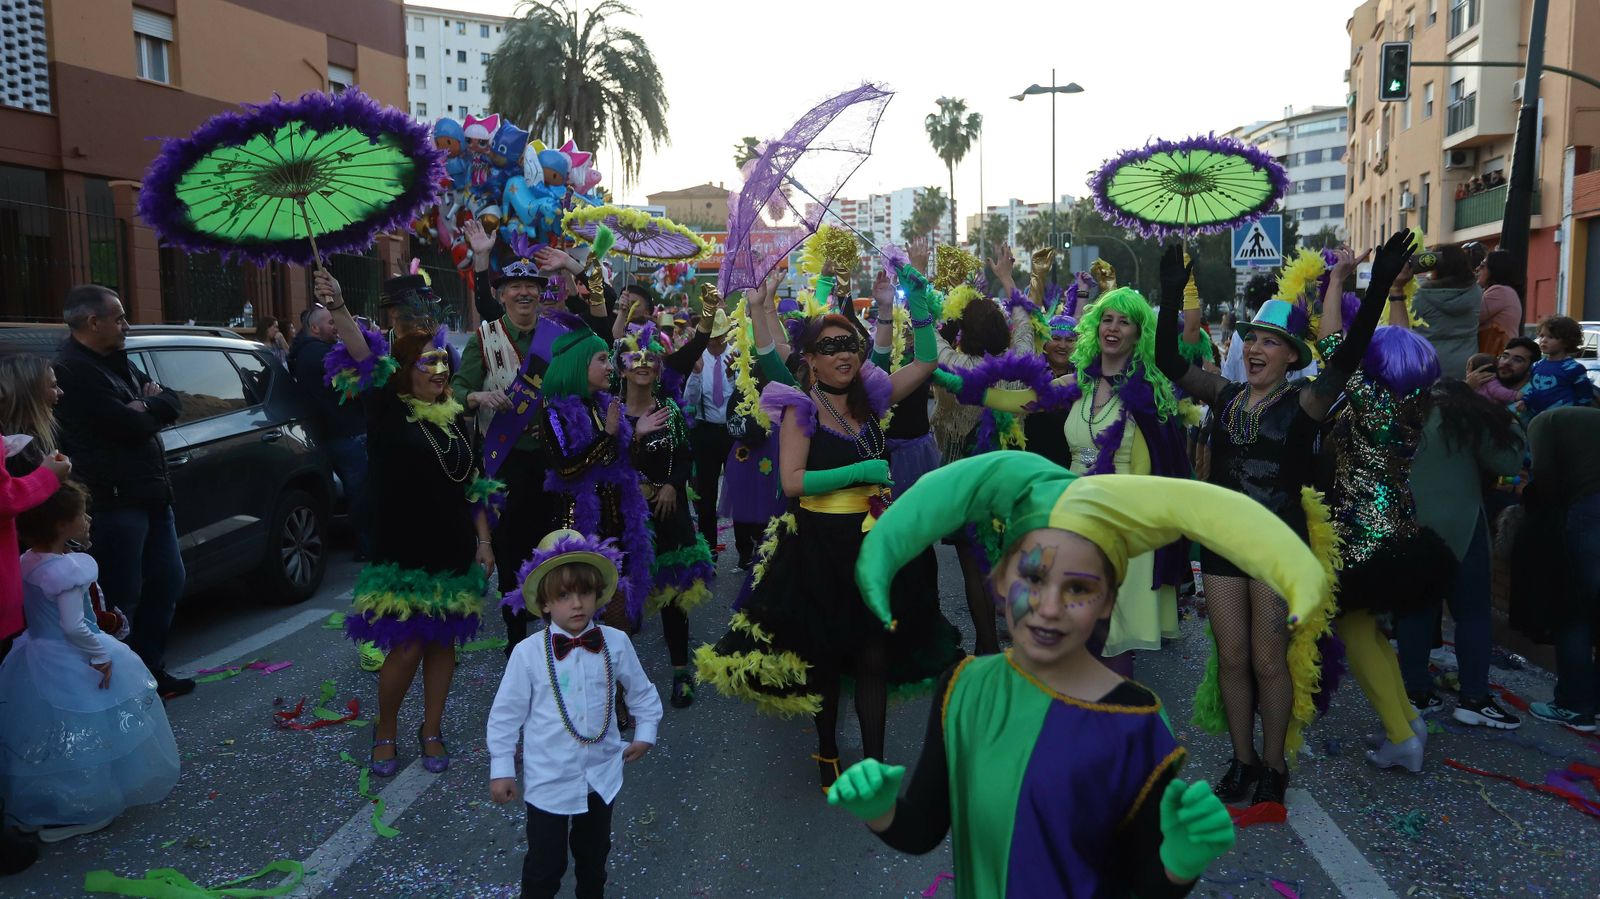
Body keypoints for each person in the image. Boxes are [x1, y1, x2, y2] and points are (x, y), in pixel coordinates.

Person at [837, 454, 1335, 898]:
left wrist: (1180, 863)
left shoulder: (1133, 727)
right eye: (1032, 578)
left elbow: (1143, 884)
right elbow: (923, 829)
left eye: (1078, 588)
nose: (1049, 608)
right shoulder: (963, 689)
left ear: (1107, 604)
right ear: (1000, 580)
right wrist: (882, 810)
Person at [1154, 236, 1415, 803]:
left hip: (1277, 545)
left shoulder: (1306, 402)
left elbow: (1347, 356)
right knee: (1232, 656)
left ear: (1291, 355)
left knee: (1270, 660)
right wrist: (1171, 297)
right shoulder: (1222, 397)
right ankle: (1242, 760)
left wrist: (1373, 289)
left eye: (1270, 343)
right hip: (1224, 544)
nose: (1255, 349)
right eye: (1251, 339)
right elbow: (1170, 362)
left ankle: (1273, 767)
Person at [694, 262, 964, 792]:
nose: (844, 353)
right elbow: (793, 482)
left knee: (872, 655)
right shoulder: (800, 408)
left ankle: (875, 760)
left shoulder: (876, 396)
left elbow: (928, 361)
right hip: (821, 547)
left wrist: (922, 308)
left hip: (874, 545)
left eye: (852, 345)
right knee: (825, 656)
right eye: (831, 346)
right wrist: (860, 471)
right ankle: (825, 749)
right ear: (811, 361)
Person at [942, 279, 1193, 670]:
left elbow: (1149, 475)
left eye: (1124, 322)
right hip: (1073, 516)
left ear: (1138, 333)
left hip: (1119, 522)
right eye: (1106, 319)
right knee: (1073, 637)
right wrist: (964, 385)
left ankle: (1111, 721)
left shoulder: (1146, 394)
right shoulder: (1080, 382)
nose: (1112, 327)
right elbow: (1021, 401)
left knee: (1112, 643)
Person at [317, 270, 501, 776]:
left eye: (444, 361)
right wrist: (336, 305)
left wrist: (484, 542)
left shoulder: (454, 418)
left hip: (454, 547)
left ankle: (433, 729)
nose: (441, 370)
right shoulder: (388, 411)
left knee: (444, 645)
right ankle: (386, 729)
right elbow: (365, 356)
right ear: (406, 371)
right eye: (429, 363)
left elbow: (475, 485)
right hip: (405, 550)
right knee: (406, 647)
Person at [1314, 245, 1457, 774]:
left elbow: (1333, 345)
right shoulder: (1418, 398)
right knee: (1369, 630)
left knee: (1354, 631)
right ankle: (1407, 723)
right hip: (1398, 524)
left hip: (1361, 532)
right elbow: (1404, 341)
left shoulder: (1371, 400)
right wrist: (1396, 292)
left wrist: (1338, 281)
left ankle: (1401, 734)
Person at [0, 480, 179, 842]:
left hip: (34, 653)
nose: (88, 519)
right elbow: (73, 624)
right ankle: (87, 805)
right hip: (72, 656)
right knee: (90, 730)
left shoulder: (26, 560)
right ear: (62, 525)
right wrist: (100, 654)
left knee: (49, 733)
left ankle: (45, 804)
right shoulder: (67, 570)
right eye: (82, 514)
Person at [489, 529, 661, 899]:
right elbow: (506, 715)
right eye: (564, 595)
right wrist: (501, 767)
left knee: (593, 858)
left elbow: (642, 691)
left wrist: (646, 731)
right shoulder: (527, 653)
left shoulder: (616, 642)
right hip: (549, 779)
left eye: (584, 593)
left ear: (598, 595)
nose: (577, 604)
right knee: (545, 866)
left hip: (601, 774)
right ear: (545, 603)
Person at [53, 285, 191, 698]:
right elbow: (126, 426)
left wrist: (148, 406)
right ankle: (122, 685)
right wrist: (146, 409)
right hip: (114, 501)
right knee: (122, 594)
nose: (126, 325)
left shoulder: (120, 361)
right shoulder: (71, 371)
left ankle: (152, 671)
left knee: (167, 581)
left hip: (150, 494)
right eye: (119, 318)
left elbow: (173, 400)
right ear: (92, 322)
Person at [1397, 379, 1525, 727]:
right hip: (1461, 529)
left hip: (1408, 528)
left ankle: (1415, 692)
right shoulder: (1466, 416)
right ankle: (1473, 697)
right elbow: (1510, 462)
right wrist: (1511, 420)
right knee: (1472, 615)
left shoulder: (1404, 412)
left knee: (1415, 612)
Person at [615, 319, 714, 708]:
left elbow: (686, 455)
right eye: (634, 356)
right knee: (623, 602)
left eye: (650, 357)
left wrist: (672, 484)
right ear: (621, 367)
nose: (643, 362)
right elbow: (605, 464)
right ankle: (619, 684)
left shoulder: (670, 409)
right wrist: (633, 435)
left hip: (667, 510)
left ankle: (679, 671)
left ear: (658, 369)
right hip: (625, 516)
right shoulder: (608, 412)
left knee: (673, 594)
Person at [1525, 406, 1600, 732]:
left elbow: (1546, 479)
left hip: (1589, 511)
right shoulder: (1586, 419)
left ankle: (1575, 705)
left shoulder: (1542, 421)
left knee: (1575, 610)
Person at [288, 304, 373, 560]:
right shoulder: (320, 355)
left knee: (358, 492)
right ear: (315, 327)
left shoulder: (305, 352)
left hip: (334, 433)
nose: (335, 327)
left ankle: (365, 545)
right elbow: (363, 375)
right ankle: (368, 548)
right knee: (361, 493)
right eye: (330, 323)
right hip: (346, 435)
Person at [682, 306, 739, 559]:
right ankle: (709, 553)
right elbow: (689, 401)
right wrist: (695, 375)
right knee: (705, 496)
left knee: (740, 491)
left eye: (721, 335)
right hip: (704, 433)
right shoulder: (697, 358)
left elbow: (747, 398)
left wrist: (733, 376)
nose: (717, 341)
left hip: (734, 433)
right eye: (712, 336)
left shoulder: (738, 356)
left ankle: (747, 549)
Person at [1410, 244, 1483, 380]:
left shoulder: (1422, 295)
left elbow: (1407, 327)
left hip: (1430, 364)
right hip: (1467, 365)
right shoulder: (1476, 292)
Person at [0, 354, 65, 479]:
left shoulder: (31, 439)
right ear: (27, 393)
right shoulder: (11, 452)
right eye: (53, 385)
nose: (60, 392)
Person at [1522, 314, 1594, 416]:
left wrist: (1578, 417)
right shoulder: (1536, 365)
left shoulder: (1573, 368)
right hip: (1536, 420)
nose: (1544, 340)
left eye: (1551, 337)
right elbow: (1533, 389)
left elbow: (1585, 396)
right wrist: (1525, 401)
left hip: (1561, 421)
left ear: (1567, 342)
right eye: (1542, 336)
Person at [1476, 249, 1522, 357]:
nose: (1477, 269)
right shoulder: (1507, 291)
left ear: (1495, 270)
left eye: (1483, 266)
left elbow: (1470, 316)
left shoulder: (1499, 291)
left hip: (1496, 354)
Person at [1470, 336, 1537, 405]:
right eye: (1504, 356)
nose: (1506, 362)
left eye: (1517, 360)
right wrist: (1467, 386)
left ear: (1531, 368)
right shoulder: (1482, 382)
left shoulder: (1532, 395)